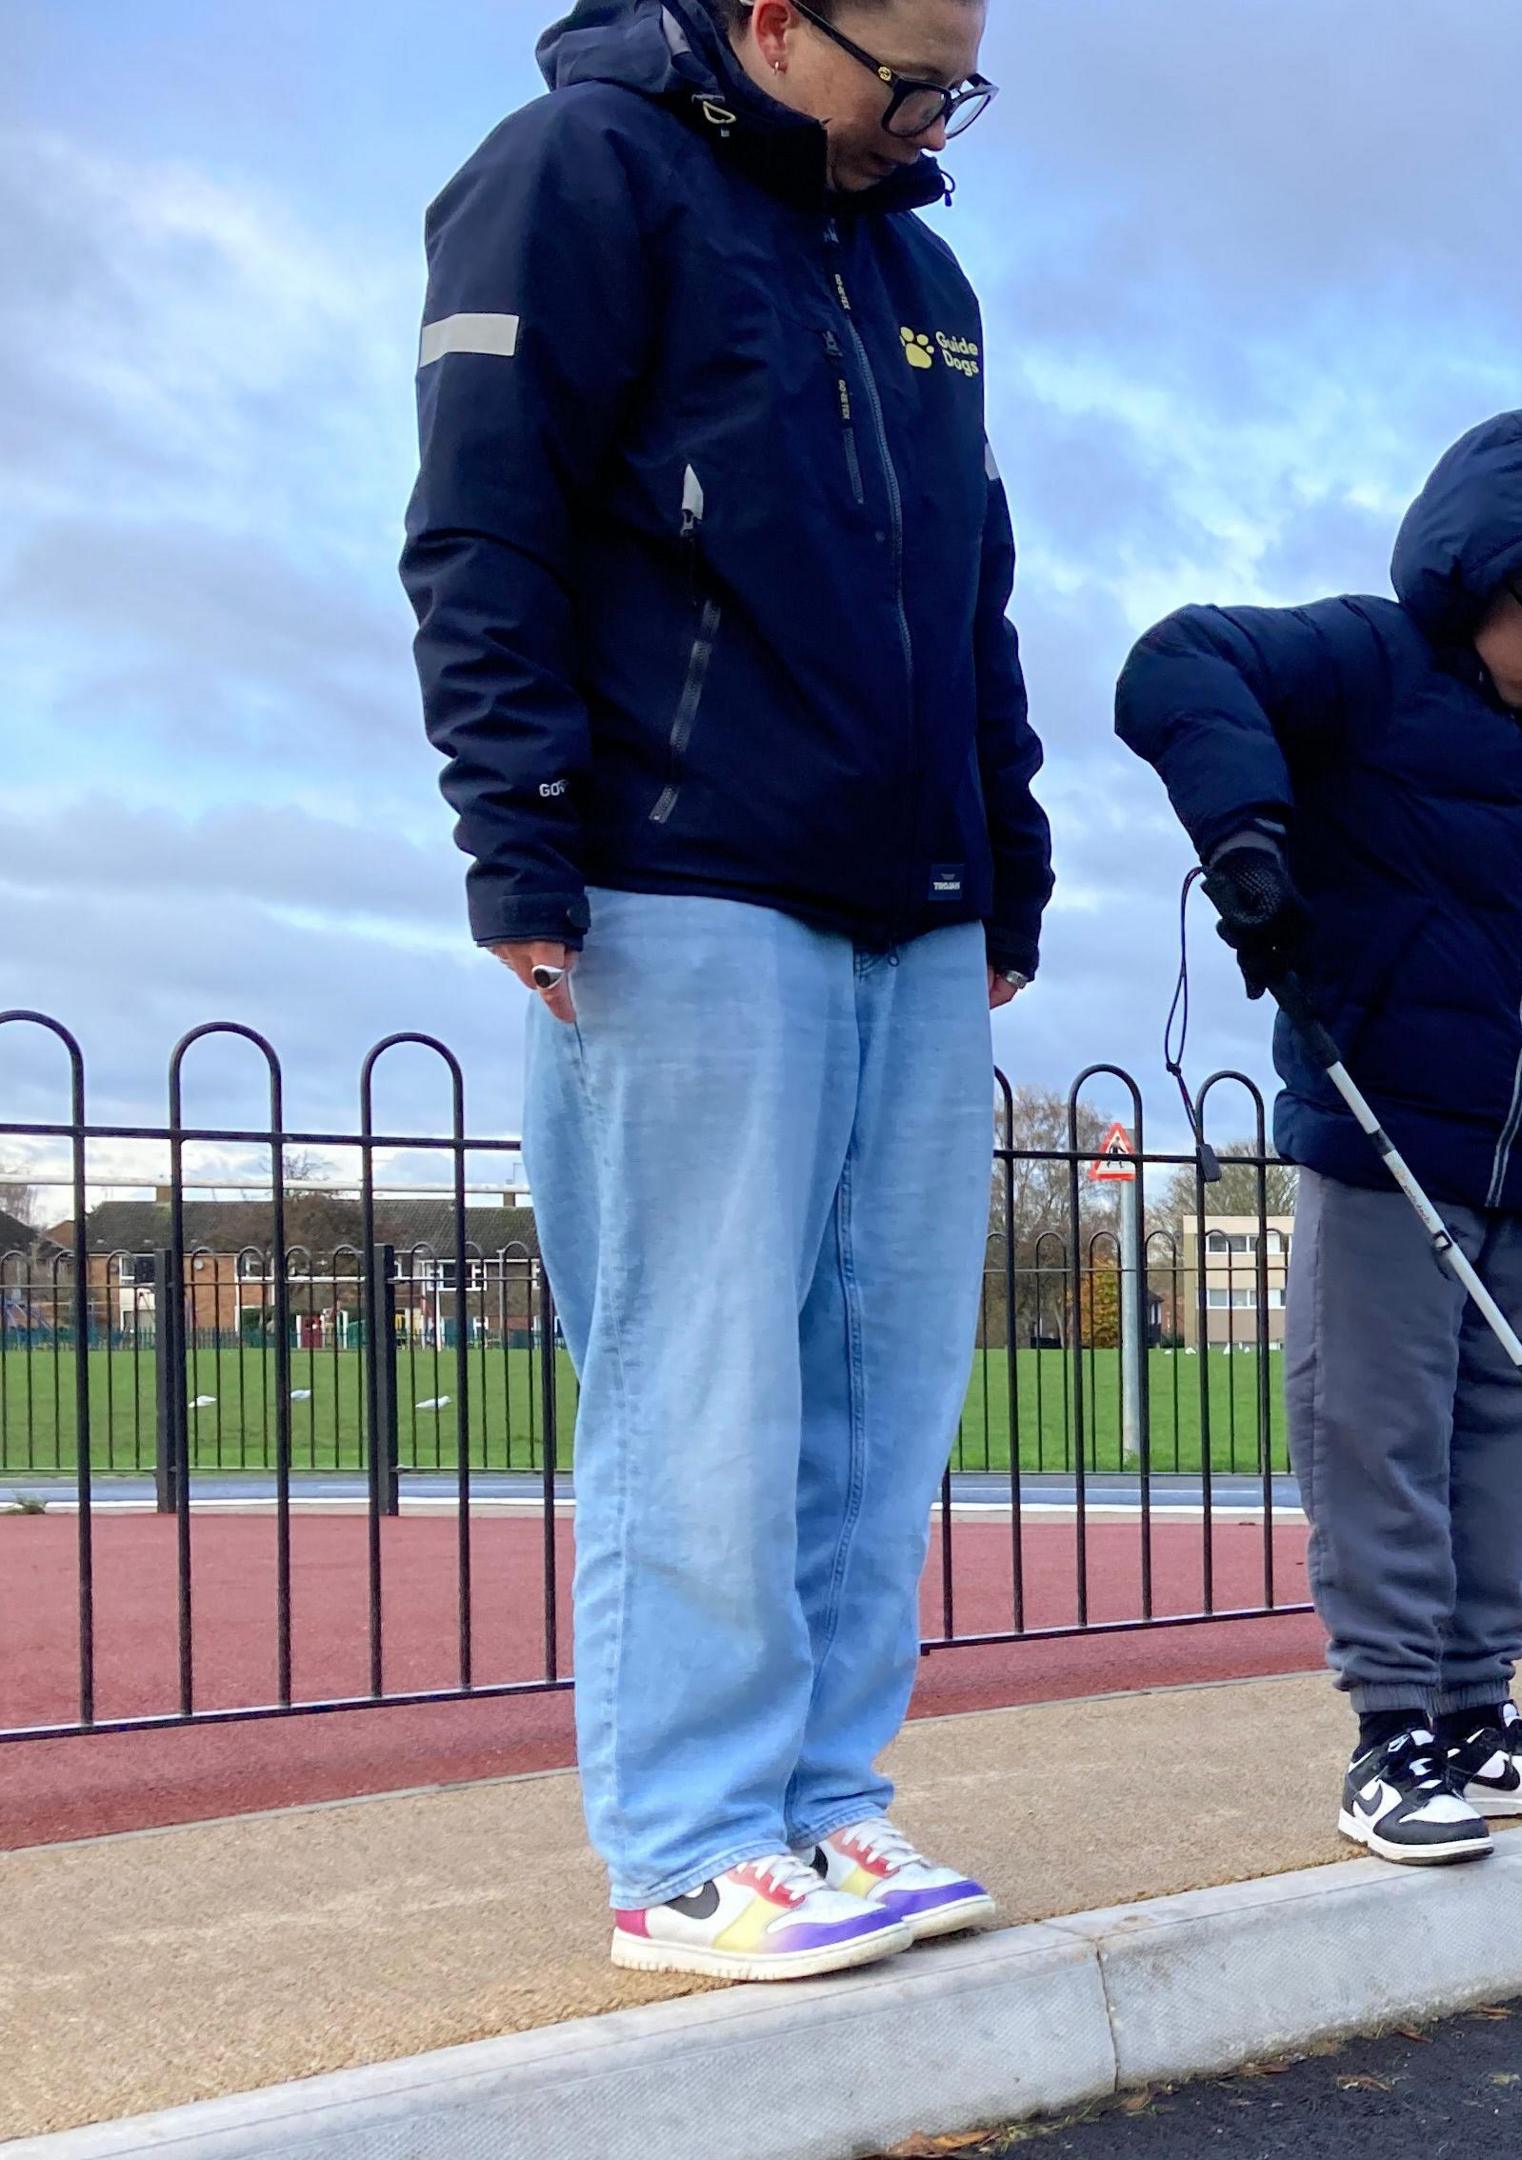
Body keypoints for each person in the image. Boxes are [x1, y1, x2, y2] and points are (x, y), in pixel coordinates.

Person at [404, 0, 1048, 1983]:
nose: (935, 117)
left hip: (913, 892)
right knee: (706, 1380)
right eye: (908, 77)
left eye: (964, 81)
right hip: (681, 874)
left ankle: (827, 1807)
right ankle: (690, 1844)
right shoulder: (577, 177)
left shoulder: (918, 263)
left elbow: (973, 586)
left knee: (882, 1380)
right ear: (775, 18)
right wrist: (518, 834)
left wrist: (1004, 856)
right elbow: (483, 521)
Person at [1115, 411, 1522, 1866]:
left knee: (1508, 1448)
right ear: (1467, 573)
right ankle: (1391, 1738)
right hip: (1384, 1150)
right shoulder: (1367, 662)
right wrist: (1248, 838)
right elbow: (1179, 661)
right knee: (1378, 1437)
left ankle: (1481, 1715)